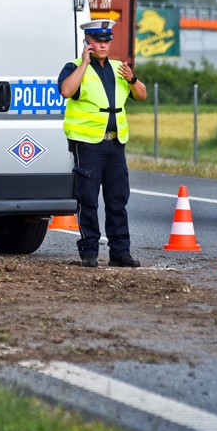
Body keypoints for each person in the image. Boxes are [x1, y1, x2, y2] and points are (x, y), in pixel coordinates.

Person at [58, 19, 147, 268]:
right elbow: (66, 91)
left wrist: (132, 79)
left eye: (107, 40)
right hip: (87, 144)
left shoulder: (120, 68)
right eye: (98, 40)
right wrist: (84, 63)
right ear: (87, 42)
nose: (104, 44)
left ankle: (120, 253)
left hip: (115, 143)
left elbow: (142, 95)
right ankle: (89, 252)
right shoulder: (74, 67)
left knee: (118, 199)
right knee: (88, 199)